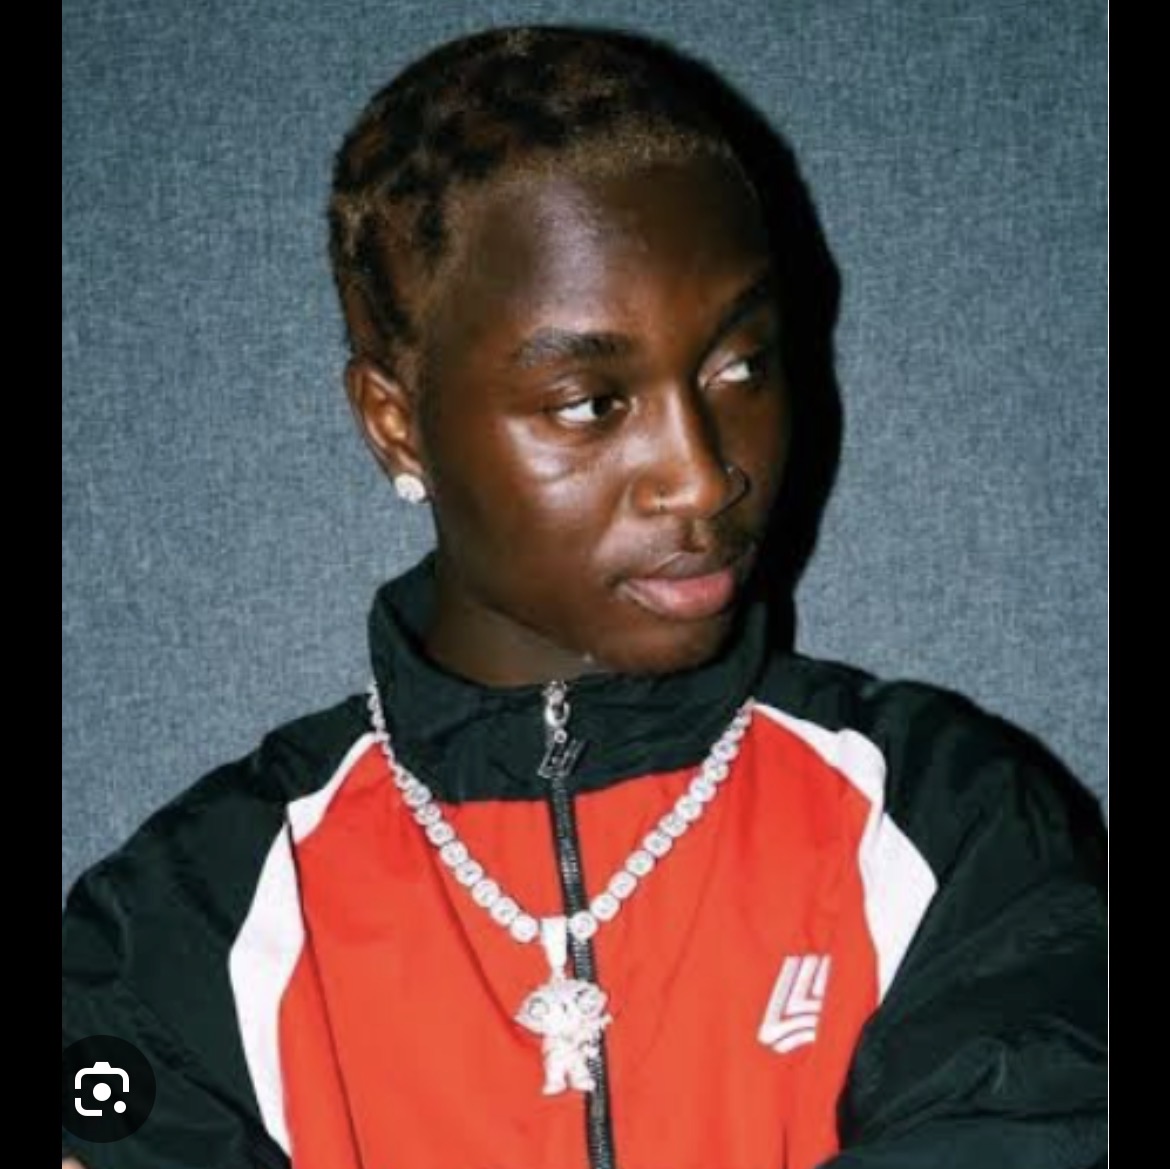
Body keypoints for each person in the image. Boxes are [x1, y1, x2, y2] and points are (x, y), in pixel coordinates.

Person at [61, 25, 1107, 1169]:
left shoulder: (948, 819)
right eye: (589, 401)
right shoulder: (185, 918)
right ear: (396, 423)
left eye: (739, 366)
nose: (702, 475)